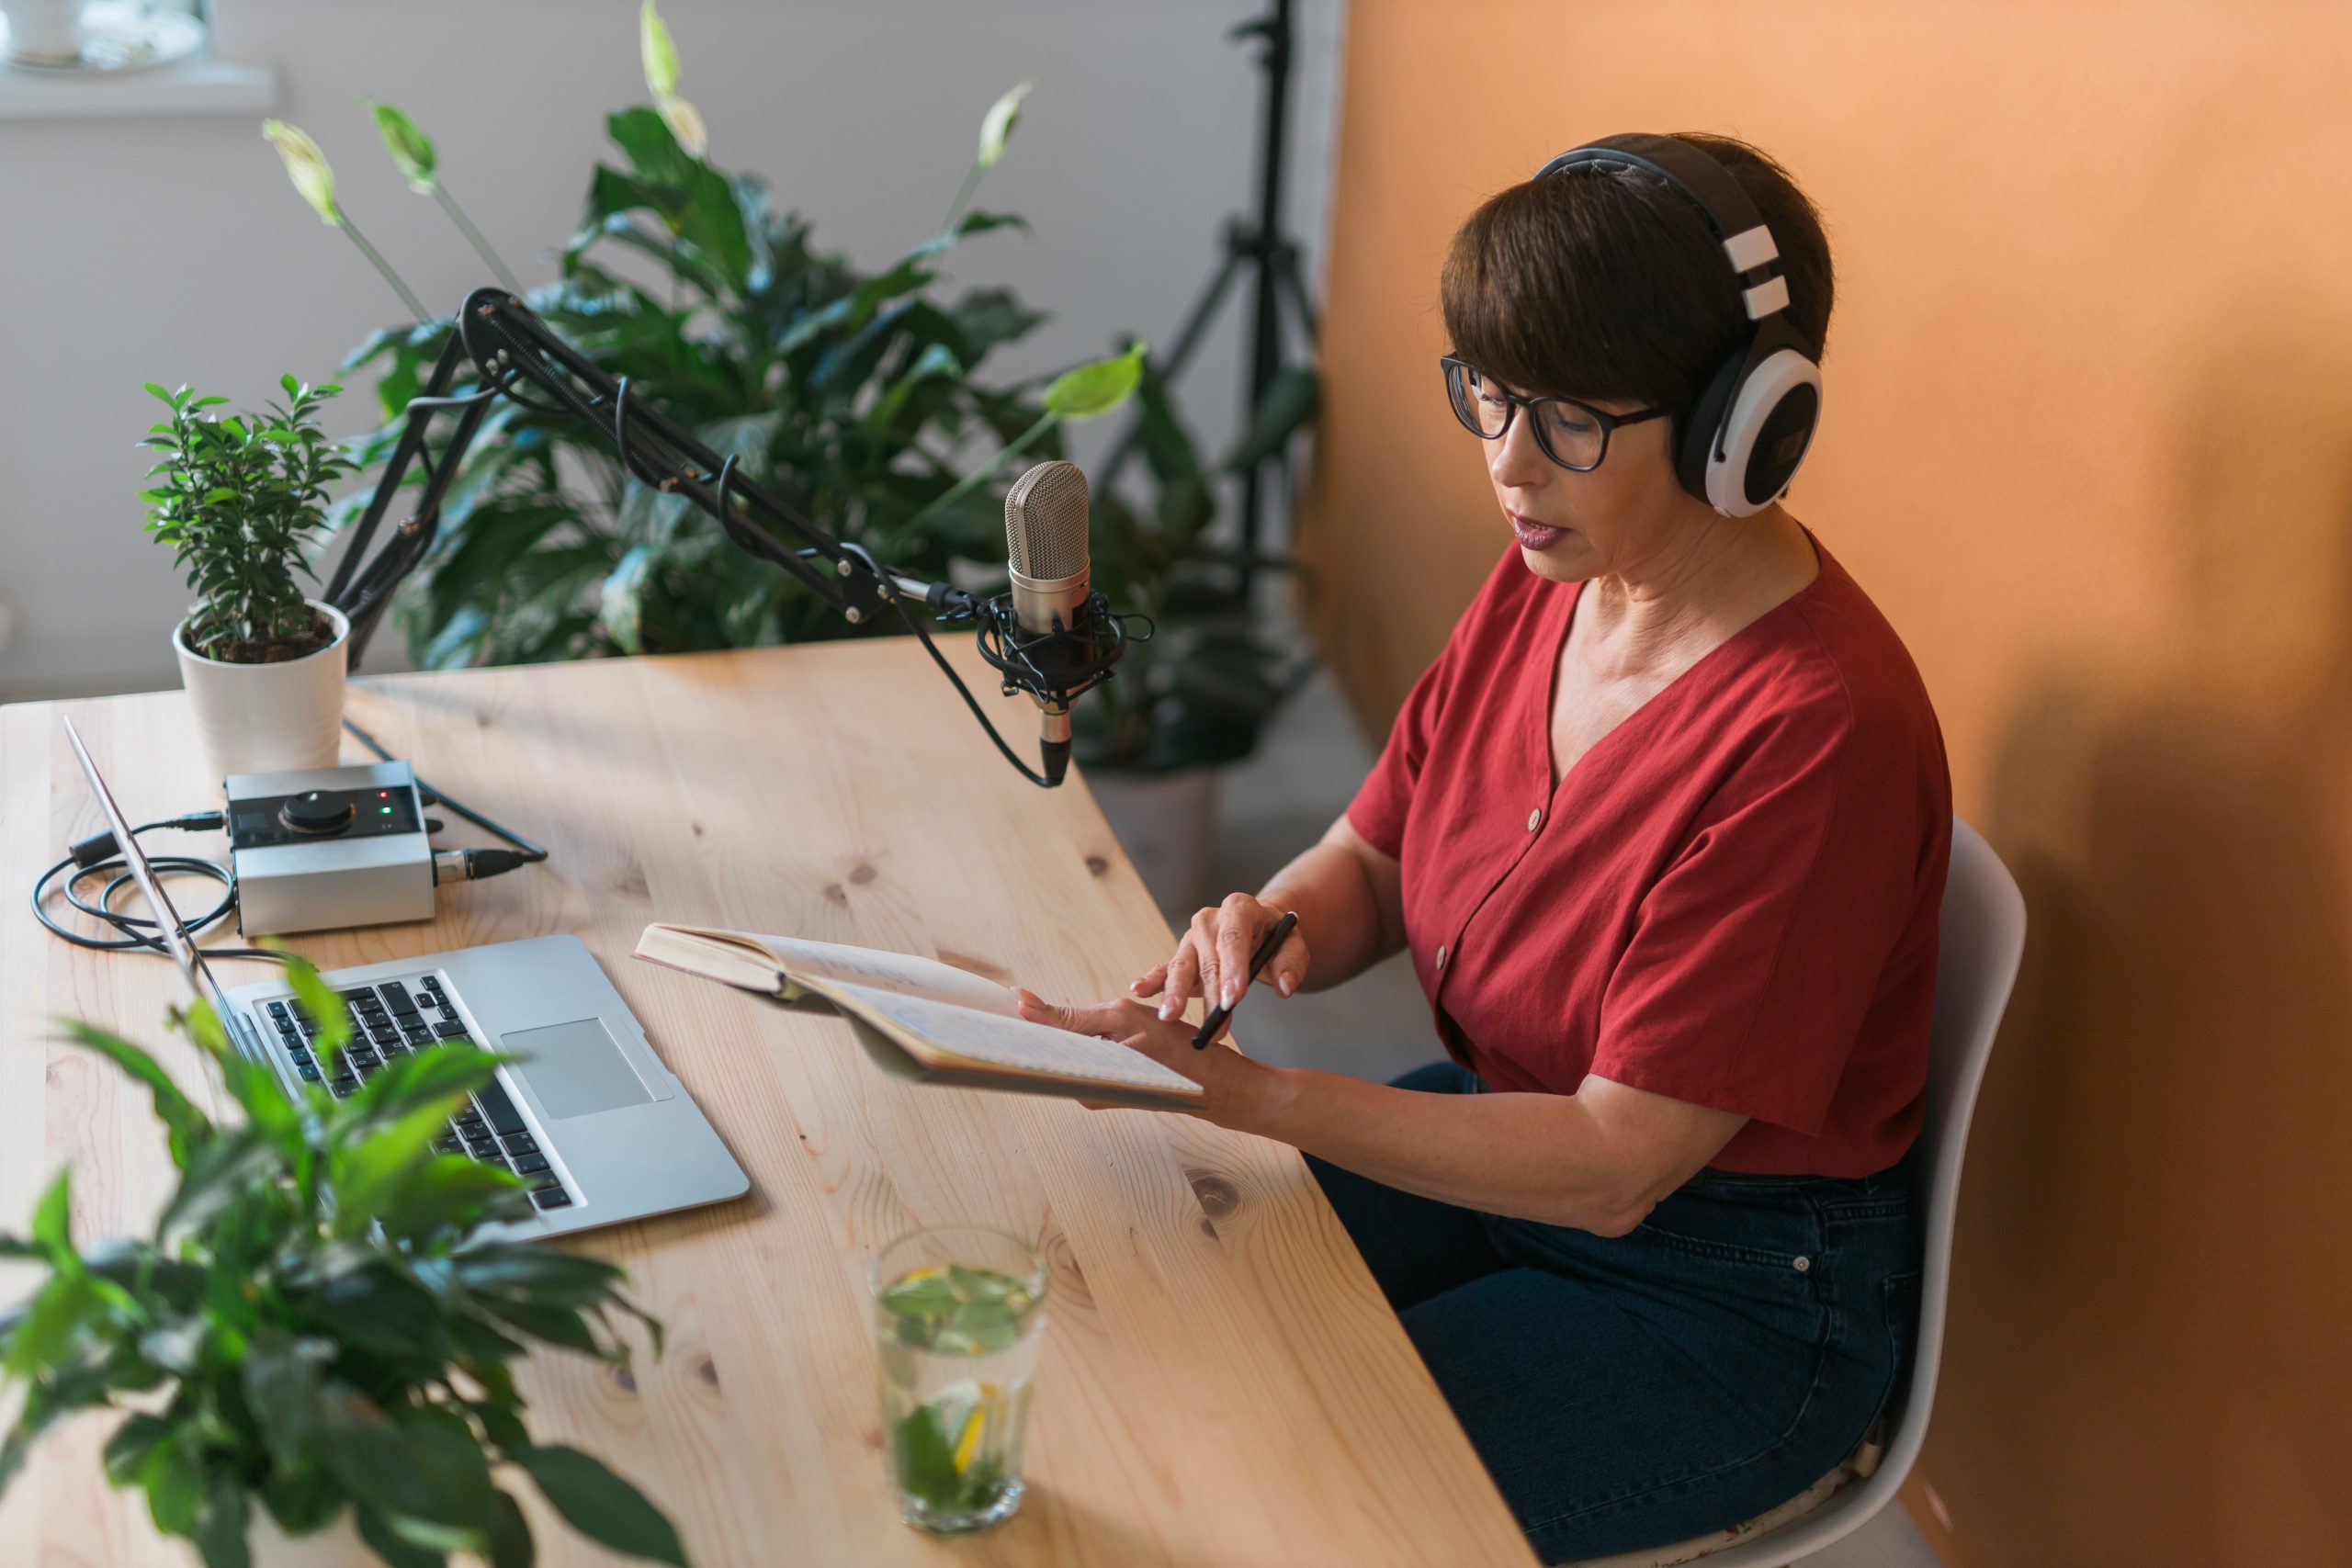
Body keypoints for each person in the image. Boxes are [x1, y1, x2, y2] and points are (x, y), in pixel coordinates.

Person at [1016, 131, 1951, 1564]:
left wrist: (1252, 1100)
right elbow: (1380, 857)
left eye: (1568, 416)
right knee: (1141, 1309)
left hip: (1721, 1295)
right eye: (1489, 396)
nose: (1507, 461)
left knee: (1273, 1494)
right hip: (1491, 1129)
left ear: (1739, 428)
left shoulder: (1819, 733)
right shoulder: (1559, 572)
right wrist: (1268, 924)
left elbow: (1613, 1163)